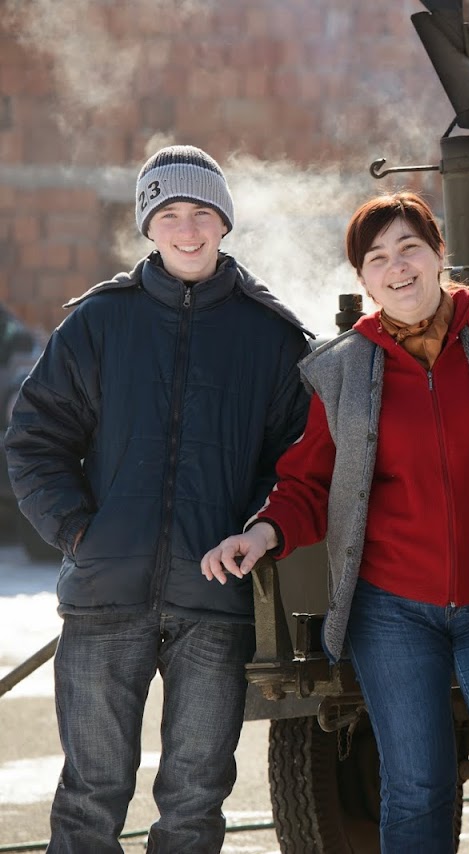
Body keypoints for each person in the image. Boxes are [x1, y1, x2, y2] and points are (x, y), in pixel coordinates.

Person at [199, 190, 469, 852]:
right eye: (378, 258)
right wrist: (263, 532)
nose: (398, 267)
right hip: (392, 610)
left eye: (410, 248)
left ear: (441, 253)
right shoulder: (344, 367)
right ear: (363, 278)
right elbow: (308, 482)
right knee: (417, 788)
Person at [3, 145, 312, 853]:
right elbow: (35, 439)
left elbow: (297, 463)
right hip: (105, 596)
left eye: (201, 211)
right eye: (168, 214)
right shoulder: (99, 322)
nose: (187, 229)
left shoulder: (269, 335)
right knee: (89, 796)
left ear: (224, 221)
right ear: (148, 225)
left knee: (196, 801)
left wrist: (254, 533)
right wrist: (79, 532)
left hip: (216, 602)